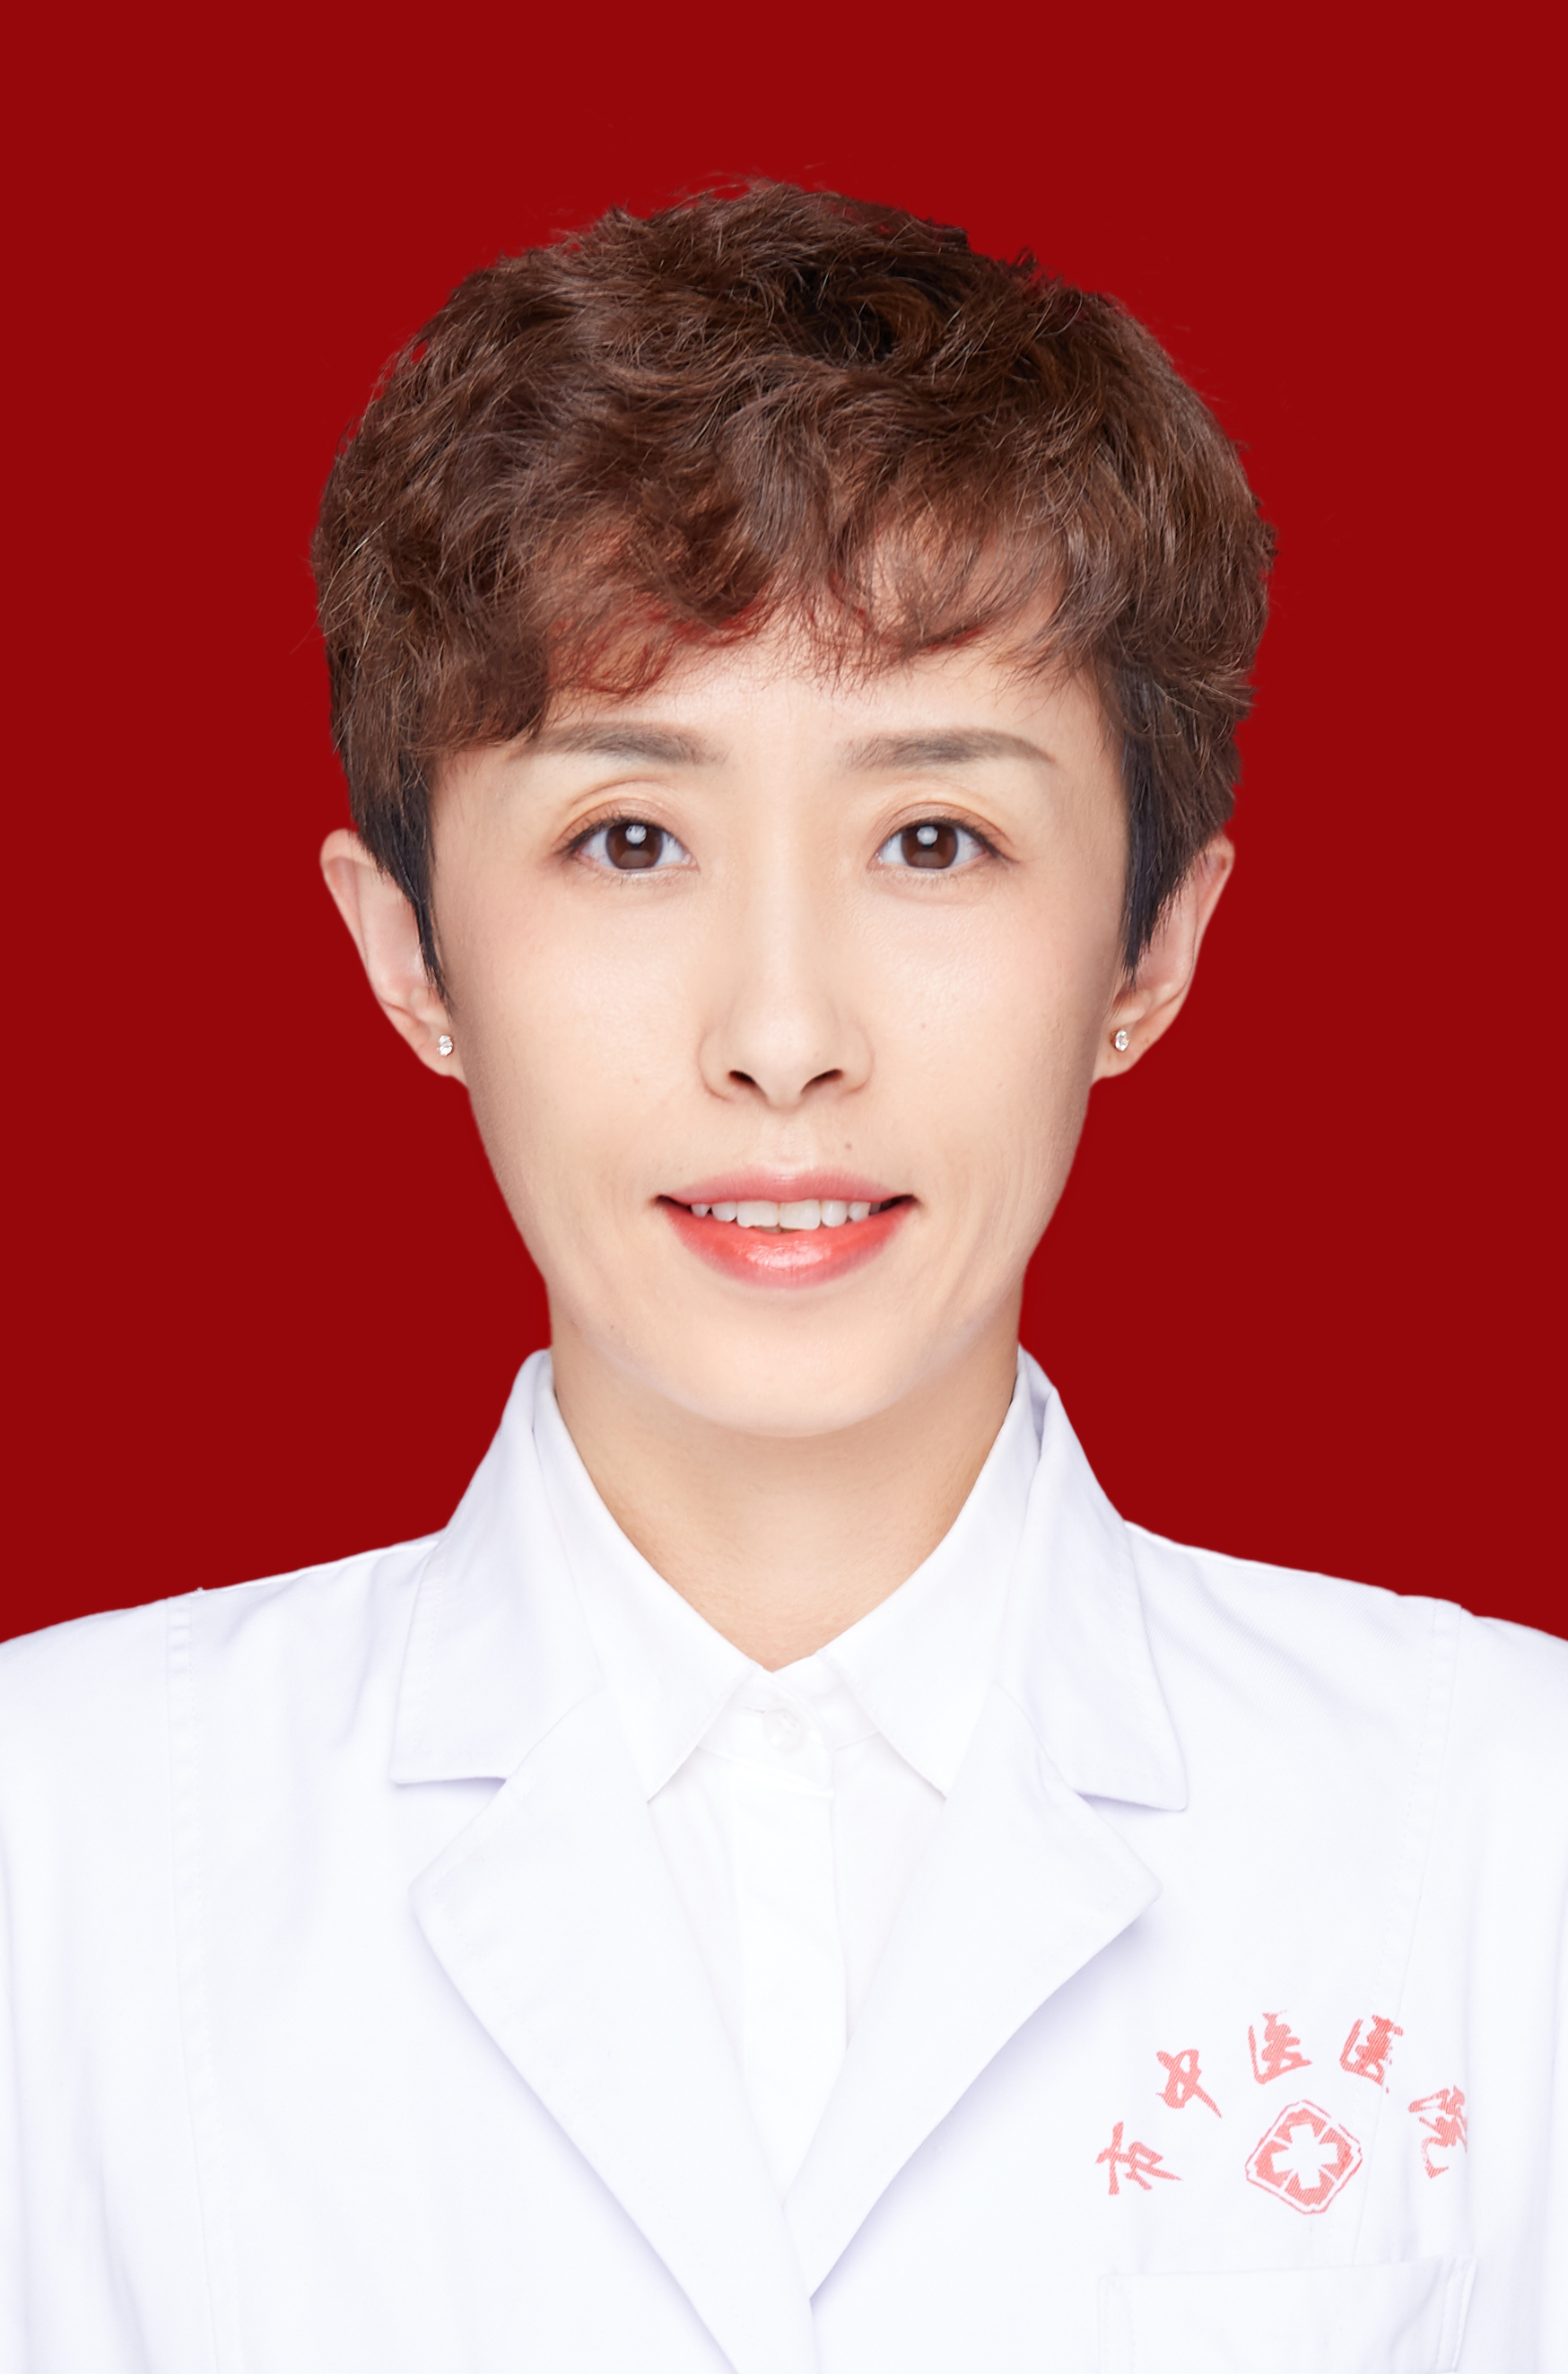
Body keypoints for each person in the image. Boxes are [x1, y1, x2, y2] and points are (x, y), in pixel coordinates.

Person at [1, 184, 1562, 2374]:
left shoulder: (1501, 1827)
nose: (781, 1032)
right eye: (627, 838)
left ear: (1150, 950)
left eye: (934, 839)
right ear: (407, 954)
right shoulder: (61, 1844)